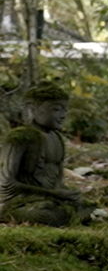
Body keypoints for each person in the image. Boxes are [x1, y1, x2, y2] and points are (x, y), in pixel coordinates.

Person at [0, 81, 84, 226]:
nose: (63, 115)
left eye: (65, 110)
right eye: (56, 109)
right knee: (48, 215)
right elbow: (5, 183)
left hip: (48, 199)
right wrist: (52, 194)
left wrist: (62, 192)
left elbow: (57, 178)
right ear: (31, 109)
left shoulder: (57, 138)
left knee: (83, 205)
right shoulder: (20, 138)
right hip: (19, 201)